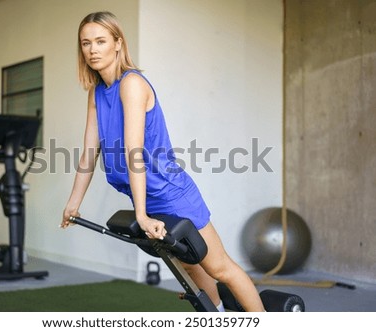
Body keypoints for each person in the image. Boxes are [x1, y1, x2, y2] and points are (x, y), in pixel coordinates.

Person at [61, 11, 265, 312]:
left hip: (172, 194)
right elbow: (89, 153)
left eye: (101, 41)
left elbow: (135, 153)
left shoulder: (131, 84)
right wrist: (73, 203)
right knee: (192, 267)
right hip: (144, 194)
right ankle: (219, 316)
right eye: (86, 43)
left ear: (118, 44)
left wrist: (141, 216)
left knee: (219, 268)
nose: (92, 50)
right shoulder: (96, 93)